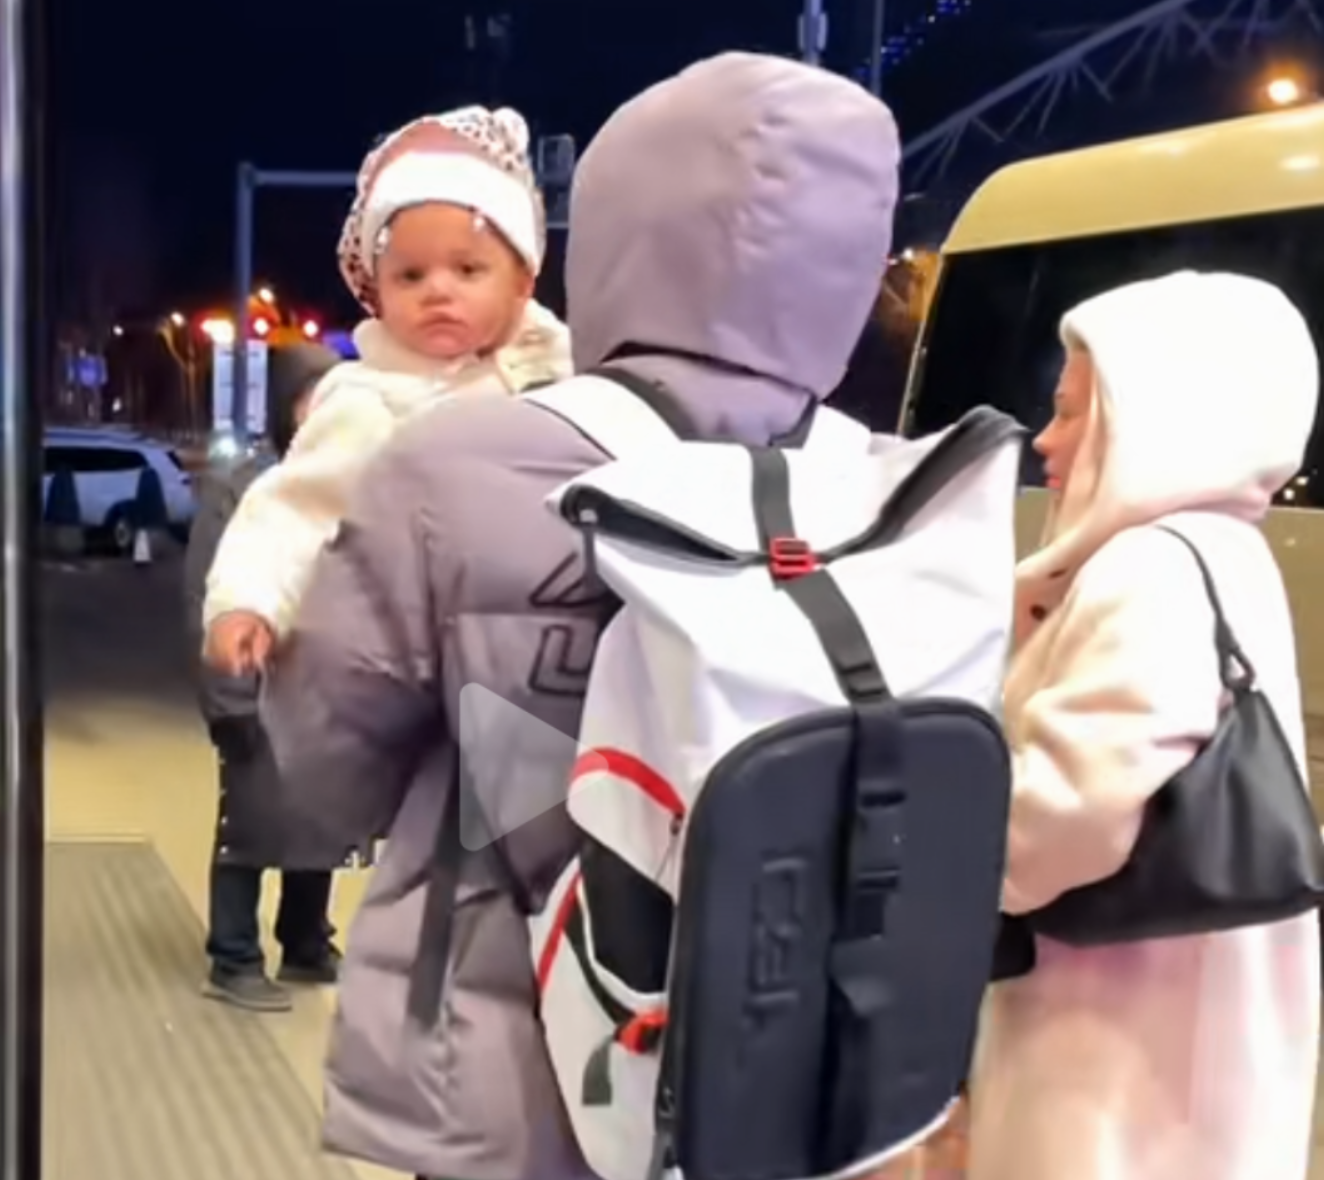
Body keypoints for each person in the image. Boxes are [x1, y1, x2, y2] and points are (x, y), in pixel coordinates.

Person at [259, 52, 901, 1180]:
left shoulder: (454, 463)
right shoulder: (887, 487)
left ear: (605, 237)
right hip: (793, 1047)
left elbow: (321, 767)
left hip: (508, 1054)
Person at [967, 271, 1321, 1180]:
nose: (1045, 440)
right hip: (1190, 1020)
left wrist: (953, 864)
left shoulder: (1146, 566)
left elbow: (1071, 813)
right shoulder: (1224, 545)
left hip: (1113, 1045)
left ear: (1158, 418)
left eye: (1072, 413)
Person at [202, 104, 573, 677]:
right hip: (422, 669)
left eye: (467, 269)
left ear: (522, 281)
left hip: (556, 660)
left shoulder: (568, 375)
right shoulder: (370, 400)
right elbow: (294, 510)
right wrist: (250, 601)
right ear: (376, 291)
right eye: (410, 275)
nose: (438, 290)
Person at [183, 342, 345, 1010]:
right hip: (253, 686)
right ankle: (234, 956)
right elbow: (208, 592)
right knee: (248, 820)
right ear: (285, 407)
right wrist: (229, 697)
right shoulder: (246, 487)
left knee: (323, 818)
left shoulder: (341, 484)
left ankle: (305, 941)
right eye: (313, 400)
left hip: (326, 693)